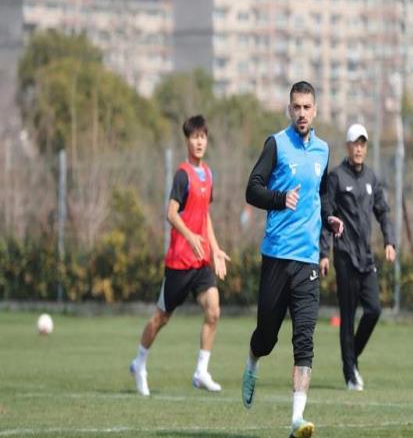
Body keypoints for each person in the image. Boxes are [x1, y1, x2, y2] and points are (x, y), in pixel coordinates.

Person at [241, 81, 343, 438]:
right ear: (289, 109)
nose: (302, 113)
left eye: (307, 107)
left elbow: (322, 195)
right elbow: (252, 189)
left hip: (308, 260)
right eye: (296, 107)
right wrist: (279, 198)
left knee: (304, 340)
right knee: (266, 338)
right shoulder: (276, 144)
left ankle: (297, 420)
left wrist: (330, 218)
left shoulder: (323, 150)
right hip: (276, 257)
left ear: (315, 111)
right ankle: (252, 361)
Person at [129, 115, 230, 396]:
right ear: (187, 140)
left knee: (214, 310)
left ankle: (201, 372)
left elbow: (205, 215)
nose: (199, 142)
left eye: (203, 137)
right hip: (179, 263)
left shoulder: (208, 174)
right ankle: (139, 363)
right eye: (194, 137)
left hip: (201, 262)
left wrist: (215, 249)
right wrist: (190, 236)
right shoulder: (182, 175)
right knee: (161, 319)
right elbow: (171, 213)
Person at [320, 123, 396, 391]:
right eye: (355, 143)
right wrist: (324, 253)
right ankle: (350, 373)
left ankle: (351, 358)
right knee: (348, 314)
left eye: (363, 143)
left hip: (366, 258)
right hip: (344, 256)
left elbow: (383, 212)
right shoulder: (336, 178)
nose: (359, 148)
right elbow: (326, 216)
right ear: (348, 146)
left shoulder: (372, 178)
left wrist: (389, 241)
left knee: (374, 310)